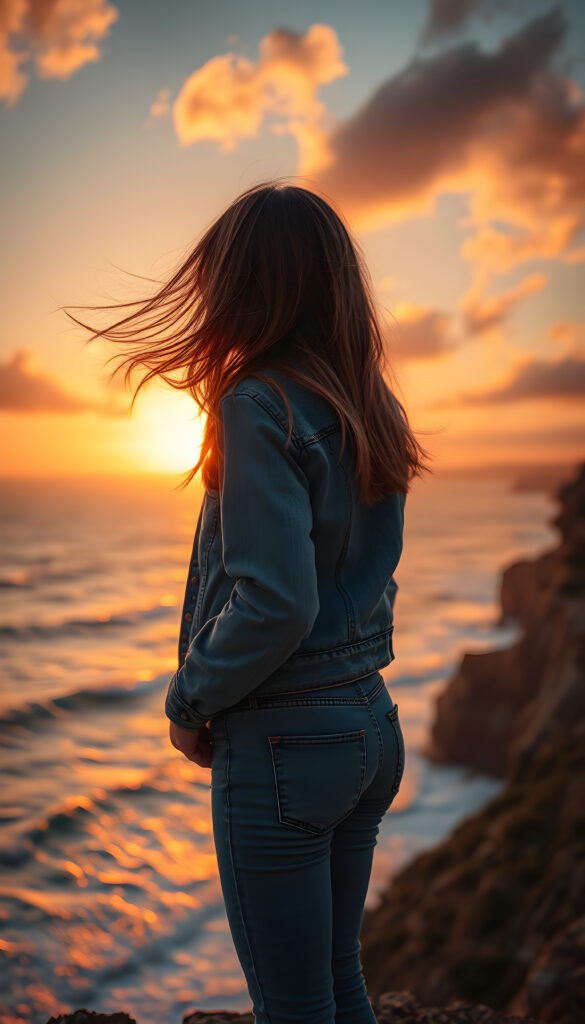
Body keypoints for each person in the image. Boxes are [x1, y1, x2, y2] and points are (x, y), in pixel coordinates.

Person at [63, 179, 433, 1024]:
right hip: (371, 726)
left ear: (239, 290)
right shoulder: (371, 406)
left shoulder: (254, 402)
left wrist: (189, 700)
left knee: (294, 1008)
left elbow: (277, 602)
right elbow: (368, 575)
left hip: (285, 742)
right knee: (340, 984)